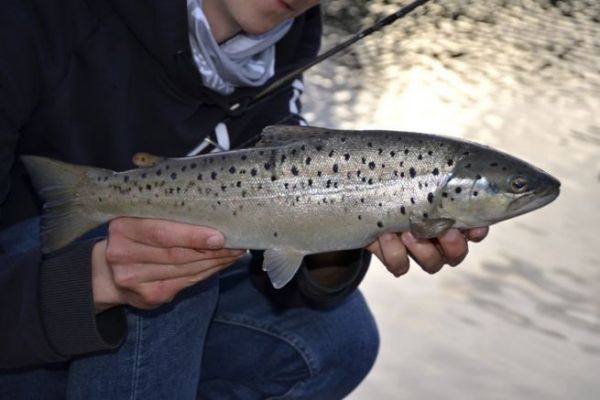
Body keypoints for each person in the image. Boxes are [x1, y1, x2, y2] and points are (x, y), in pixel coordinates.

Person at [0, 0, 488, 398]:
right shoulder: (29, 21)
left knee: (340, 340)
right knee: (179, 273)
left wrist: (349, 233)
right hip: (21, 317)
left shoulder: (286, 43)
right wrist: (93, 281)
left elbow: (277, 235)